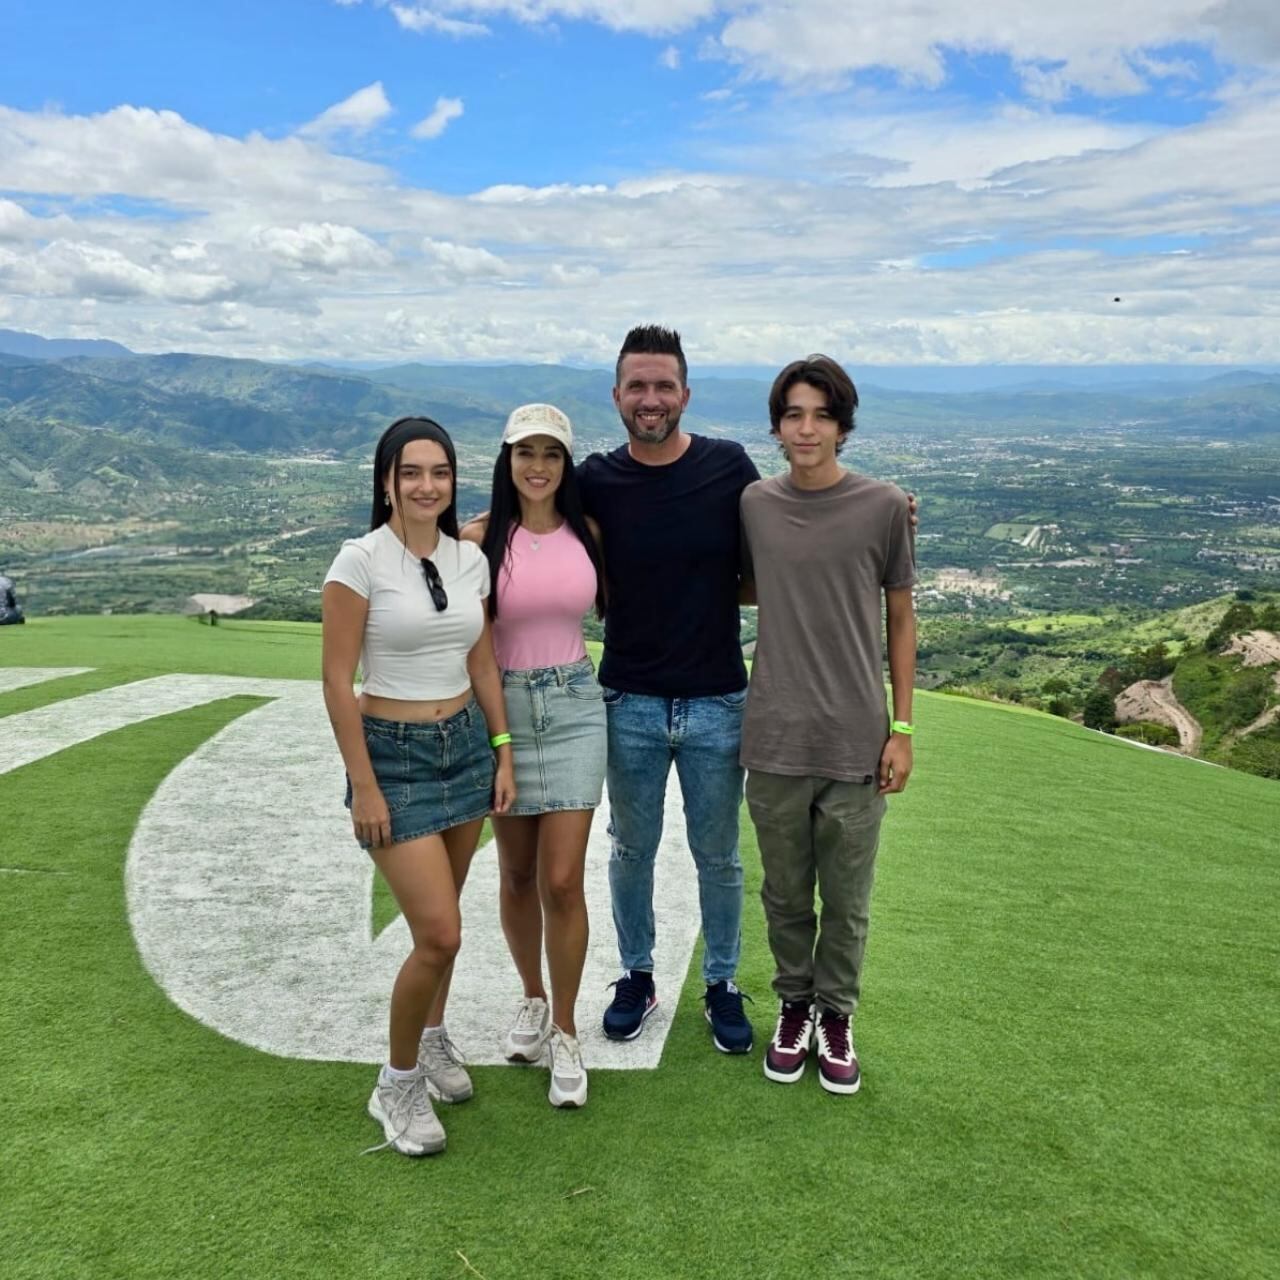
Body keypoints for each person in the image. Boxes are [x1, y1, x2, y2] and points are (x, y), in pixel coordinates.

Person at [321, 416, 516, 1157]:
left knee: (444, 921)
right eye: (411, 473)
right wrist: (364, 786)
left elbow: (483, 665)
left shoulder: (470, 561)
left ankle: (432, 1039)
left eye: (439, 472)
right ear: (386, 481)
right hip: (392, 758)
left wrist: (501, 750)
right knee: (439, 933)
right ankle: (396, 1081)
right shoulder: (358, 562)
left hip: (463, 748)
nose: (426, 485)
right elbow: (338, 683)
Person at [576, 325, 760, 1055]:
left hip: (718, 698)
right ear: (618, 395)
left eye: (663, 386)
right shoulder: (595, 478)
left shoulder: (728, 466)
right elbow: (528, 518)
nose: (650, 399)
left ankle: (721, 983)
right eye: (637, 386)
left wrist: (881, 509)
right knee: (631, 850)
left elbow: (785, 534)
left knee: (718, 856)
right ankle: (638, 974)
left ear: (685, 393)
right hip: (629, 700)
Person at [739, 355, 916, 1096]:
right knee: (784, 894)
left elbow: (901, 616)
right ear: (777, 426)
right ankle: (794, 1006)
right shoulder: (753, 501)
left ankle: (836, 1016)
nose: (806, 428)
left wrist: (902, 726)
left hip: (855, 739)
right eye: (793, 414)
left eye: (820, 414)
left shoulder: (882, 507)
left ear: (842, 424)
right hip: (775, 733)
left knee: (846, 899)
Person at [460, 403, 607, 1109]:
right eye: (526, 453)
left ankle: (569, 1032)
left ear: (566, 462)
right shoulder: (479, 541)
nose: (538, 466)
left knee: (561, 880)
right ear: (507, 459)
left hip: (577, 704)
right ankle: (532, 998)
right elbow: (472, 647)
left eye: (551, 453)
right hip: (506, 709)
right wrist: (498, 741)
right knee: (516, 873)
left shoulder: (591, 533)